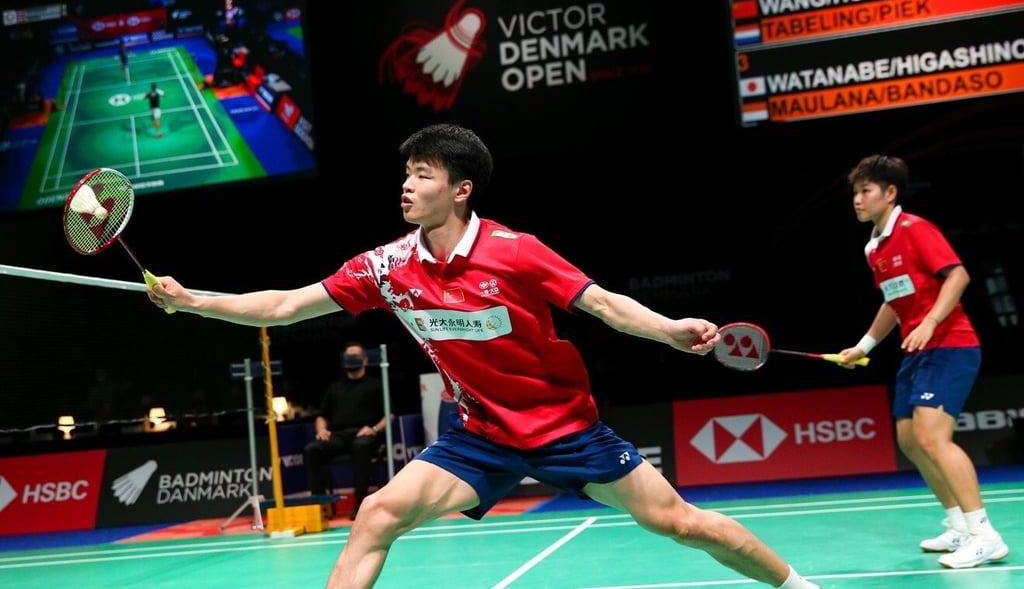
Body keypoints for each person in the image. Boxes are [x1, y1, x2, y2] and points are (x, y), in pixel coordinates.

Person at [146, 123, 820, 589]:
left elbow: (605, 304)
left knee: (683, 523)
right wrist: (193, 299)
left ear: (461, 188)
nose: (405, 186)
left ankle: (796, 580)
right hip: (480, 438)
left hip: (567, 428)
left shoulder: (515, 250)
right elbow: (284, 305)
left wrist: (671, 329)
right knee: (378, 512)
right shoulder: (386, 267)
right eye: (404, 175)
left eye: (421, 174)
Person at [836, 154, 1008, 569]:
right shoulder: (874, 246)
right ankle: (958, 525)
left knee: (933, 437)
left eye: (866, 191)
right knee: (911, 440)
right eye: (855, 192)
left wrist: (931, 321)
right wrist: (864, 346)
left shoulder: (915, 229)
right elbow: (893, 303)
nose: (857, 199)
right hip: (919, 350)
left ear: (890, 193)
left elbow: (959, 275)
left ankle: (984, 534)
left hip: (951, 344)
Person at [305, 341, 391, 519]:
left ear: (365, 360)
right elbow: (322, 415)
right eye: (348, 357)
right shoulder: (335, 387)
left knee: (361, 446)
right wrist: (322, 430)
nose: (351, 360)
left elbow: (390, 415)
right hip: (338, 436)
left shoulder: (375, 385)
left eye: (355, 356)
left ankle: (360, 504)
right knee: (312, 449)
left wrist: (374, 428)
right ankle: (321, 505)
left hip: (365, 435)